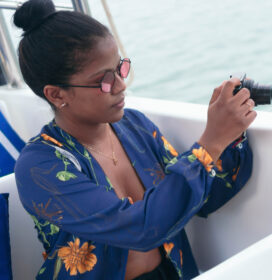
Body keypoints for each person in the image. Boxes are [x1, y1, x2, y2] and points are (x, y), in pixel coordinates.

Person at [13, 0, 256, 279]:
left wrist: (231, 128)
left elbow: (202, 197)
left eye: (120, 68)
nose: (120, 84)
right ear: (57, 94)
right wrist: (211, 141)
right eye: (104, 80)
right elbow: (139, 229)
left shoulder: (134, 125)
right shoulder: (40, 166)